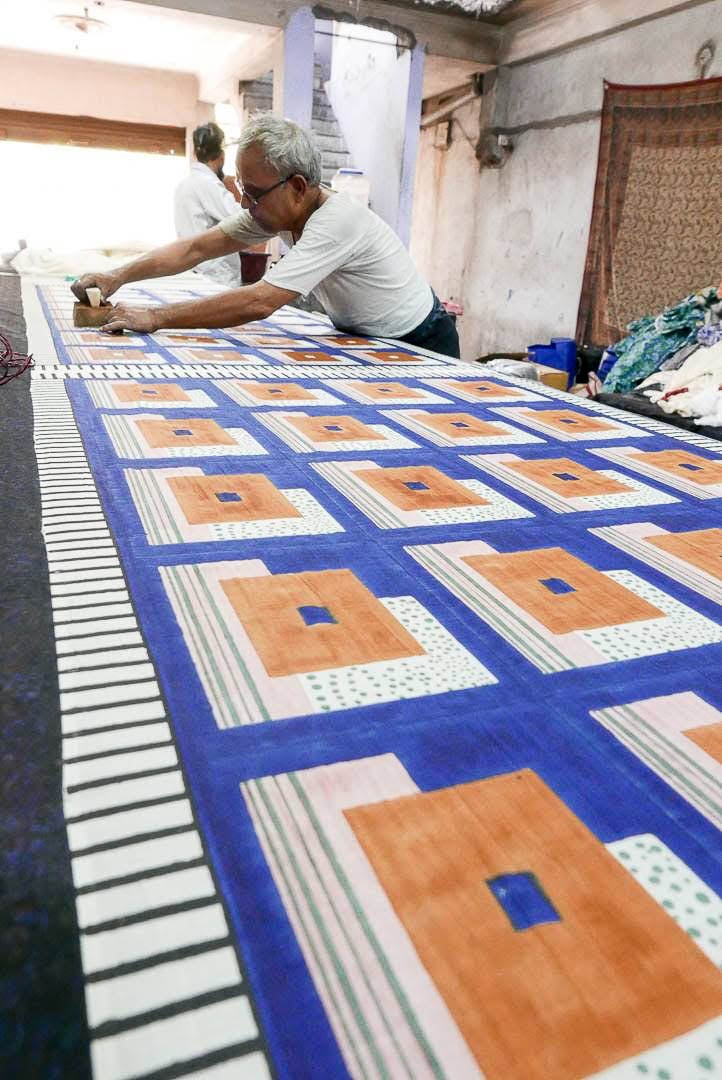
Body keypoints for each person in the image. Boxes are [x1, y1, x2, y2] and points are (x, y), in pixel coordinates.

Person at [72, 113, 460, 358]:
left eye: (253, 193)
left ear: (296, 186)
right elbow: (195, 248)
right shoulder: (275, 213)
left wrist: (155, 317)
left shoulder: (339, 220)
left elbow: (259, 302)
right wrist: (115, 276)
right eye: (241, 189)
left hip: (420, 338)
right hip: (366, 337)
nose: (244, 204)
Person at [173, 121, 241, 287]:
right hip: (215, 278)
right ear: (221, 156)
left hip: (194, 273)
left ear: (196, 152)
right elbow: (240, 218)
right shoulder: (209, 185)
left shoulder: (185, 185)